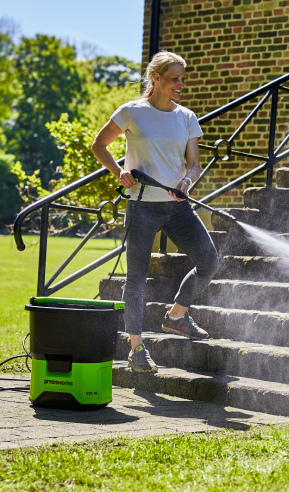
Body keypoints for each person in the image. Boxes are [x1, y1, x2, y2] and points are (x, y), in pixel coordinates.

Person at [91, 50, 219, 373]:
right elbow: (99, 145)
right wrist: (118, 171)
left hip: (177, 207)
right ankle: (137, 349)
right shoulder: (132, 112)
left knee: (209, 261)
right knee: (135, 279)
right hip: (141, 206)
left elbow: (194, 163)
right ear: (156, 78)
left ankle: (176, 315)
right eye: (174, 79)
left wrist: (188, 180)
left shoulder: (187, 117)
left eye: (182, 79)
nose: (180, 84)